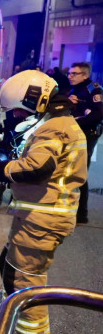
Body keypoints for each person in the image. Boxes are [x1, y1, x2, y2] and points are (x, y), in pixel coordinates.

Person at [0, 70, 87, 334]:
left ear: (34, 100)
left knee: (25, 278)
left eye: (18, 109)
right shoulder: (52, 122)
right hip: (37, 216)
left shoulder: (54, 128)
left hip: (44, 218)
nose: (17, 115)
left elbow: (36, 168)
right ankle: (14, 320)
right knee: (10, 267)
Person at [66, 62, 102, 224]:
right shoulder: (76, 89)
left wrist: (76, 123)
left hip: (88, 135)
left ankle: (82, 215)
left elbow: (98, 114)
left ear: (85, 75)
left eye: (74, 73)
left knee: (80, 173)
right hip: (75, 135)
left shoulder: (93, 89)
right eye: (70, 73)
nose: (70, 76)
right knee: (69, 170)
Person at [0, 87, 31, 211]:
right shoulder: (14, 91)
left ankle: (14, 199)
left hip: (27, 135)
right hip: (9, 135)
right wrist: (5, 89)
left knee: (19, 168)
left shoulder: (36, 98)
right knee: (1, 162)